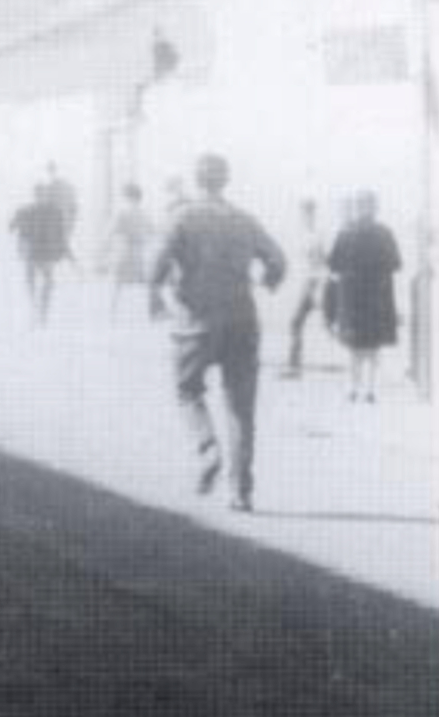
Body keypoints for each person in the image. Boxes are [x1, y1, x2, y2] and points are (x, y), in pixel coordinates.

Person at [149, 153, 286, 513]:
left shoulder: (181, 217)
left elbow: (154, 264)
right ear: (225, 181)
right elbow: (278, 261)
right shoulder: (245, 220)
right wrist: (265, 281)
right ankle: (240, 491)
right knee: (241, 407)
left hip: (197, 319)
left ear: (197, 181)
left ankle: (208, 449)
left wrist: (162, 293)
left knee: (186, 389)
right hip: (243, 317)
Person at [328, 191, 402, 404]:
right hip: (376, 296)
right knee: (373, 345)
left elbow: (333, 264)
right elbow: (396, 264)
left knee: (354, 346)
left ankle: (354, 389)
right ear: (375, 208)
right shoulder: (385, 233)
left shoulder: (345, 232)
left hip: (352, 298)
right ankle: (370, 390)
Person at [281, 198, 333, 379]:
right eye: (303, 213)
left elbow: (327, 260)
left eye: (309, 212)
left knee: (330, 324)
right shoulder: (298, 235)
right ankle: (294, 366)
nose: (306, 216)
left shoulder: (319, 234)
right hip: (303, 283)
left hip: (316, 283)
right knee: (295, 322)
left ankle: (361, 357)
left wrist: (323, 283)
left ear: (314, 214)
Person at [8, 183, 69, 327]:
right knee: (42, 281)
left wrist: (63, 249)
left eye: (42, 194)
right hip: (38, 251)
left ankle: (38, 310)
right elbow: (12, 226)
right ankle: (39, 310)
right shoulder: (52, 210)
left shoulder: (31, 210)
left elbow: (11, 226)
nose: (42, 197)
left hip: (37, 251)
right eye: (41, 194)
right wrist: (63, 250)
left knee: (40, 281)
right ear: (38, 195)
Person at [104, 183, 156, 320]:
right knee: (142, 283)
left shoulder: (122, 212)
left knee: (117, 284)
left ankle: (111, 314)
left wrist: (105, 251)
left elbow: (110, 233)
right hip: (139, 250)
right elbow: (152, 231)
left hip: (124, 249)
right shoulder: (144, 213)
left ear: (127, 196)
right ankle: (147, 313)